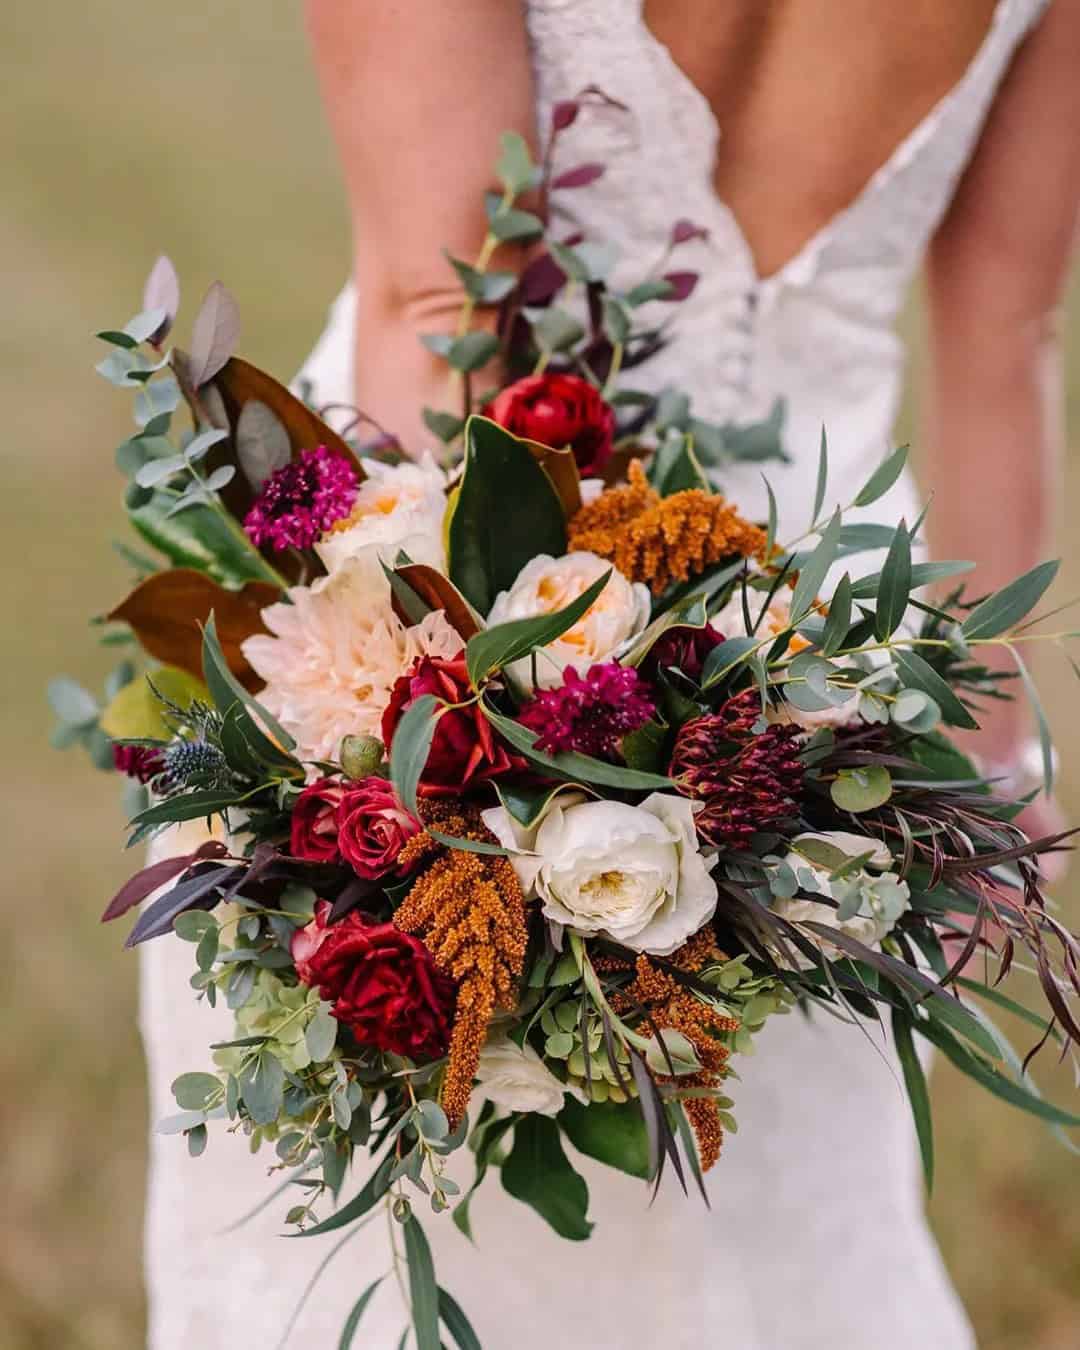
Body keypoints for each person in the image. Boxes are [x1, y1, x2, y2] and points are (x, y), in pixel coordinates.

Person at [140, 2, 1080, 1345]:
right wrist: (986, 772)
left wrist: (414, 777)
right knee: (767, 1238)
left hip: (450, 600)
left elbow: (439, 298)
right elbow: (1008, 338)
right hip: (809, 684)